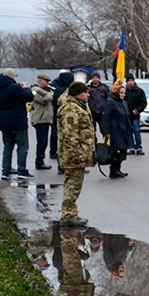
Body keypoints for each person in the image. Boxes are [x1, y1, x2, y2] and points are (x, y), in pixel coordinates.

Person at [58, 81, 95, 227]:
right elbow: (70, 135)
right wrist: (76, 154)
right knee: (72, 185)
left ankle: (71, 213)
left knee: (74, 185)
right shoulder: (71, 109)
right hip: (74, 155)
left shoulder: (79, 106)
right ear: (78, 94)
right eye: (86, 92)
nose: (88, 94)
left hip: (79, 153)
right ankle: (68, 215)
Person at [0, 68, 34, 179]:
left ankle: (5, 171)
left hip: (4, 122)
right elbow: (29, 97)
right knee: (22, 147)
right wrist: (26, 88)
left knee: (7, 147)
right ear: (11, 76)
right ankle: (21, 171)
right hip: (18, 121)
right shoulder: (15, 87)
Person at [100, 83, 133, 179]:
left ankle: (118, 169)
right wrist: (106, 132)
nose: (123, 95)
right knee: (116, 151)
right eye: (121, 93)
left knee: (122, 151)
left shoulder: (123, 102)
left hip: (123, 130)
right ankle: (113, 170)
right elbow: (106, 118)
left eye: (124, 93)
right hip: (115, 131)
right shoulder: (110, 102)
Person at [49, 70, 74, 169]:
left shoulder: (59, 89)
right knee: (64, 141)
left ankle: (63, 164)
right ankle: (62, 165)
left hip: (62, 117)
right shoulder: (62, 91)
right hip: (64, 117)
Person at [30, 74, 55, 169]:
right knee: (41, 141)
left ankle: (41, 160)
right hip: (39, 119)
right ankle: (39, 161)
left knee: (44, 142)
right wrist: (50, 93)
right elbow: (44, 100)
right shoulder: (35, 90)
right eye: (46, 81)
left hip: (46, 119)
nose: (48, 83)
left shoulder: (44, 91)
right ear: (40, 80)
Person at [124, 75, 147, 154]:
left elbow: (144, 102)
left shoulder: (139, 91)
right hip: (127, 115)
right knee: (129, 131)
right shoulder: (125, 91)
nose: (130, 82)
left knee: (136, 131)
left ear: (134, 81)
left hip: (135, 115)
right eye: (128, 81)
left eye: (131, 81)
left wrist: (137, 110)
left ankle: (138, 147)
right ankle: (131, 147)